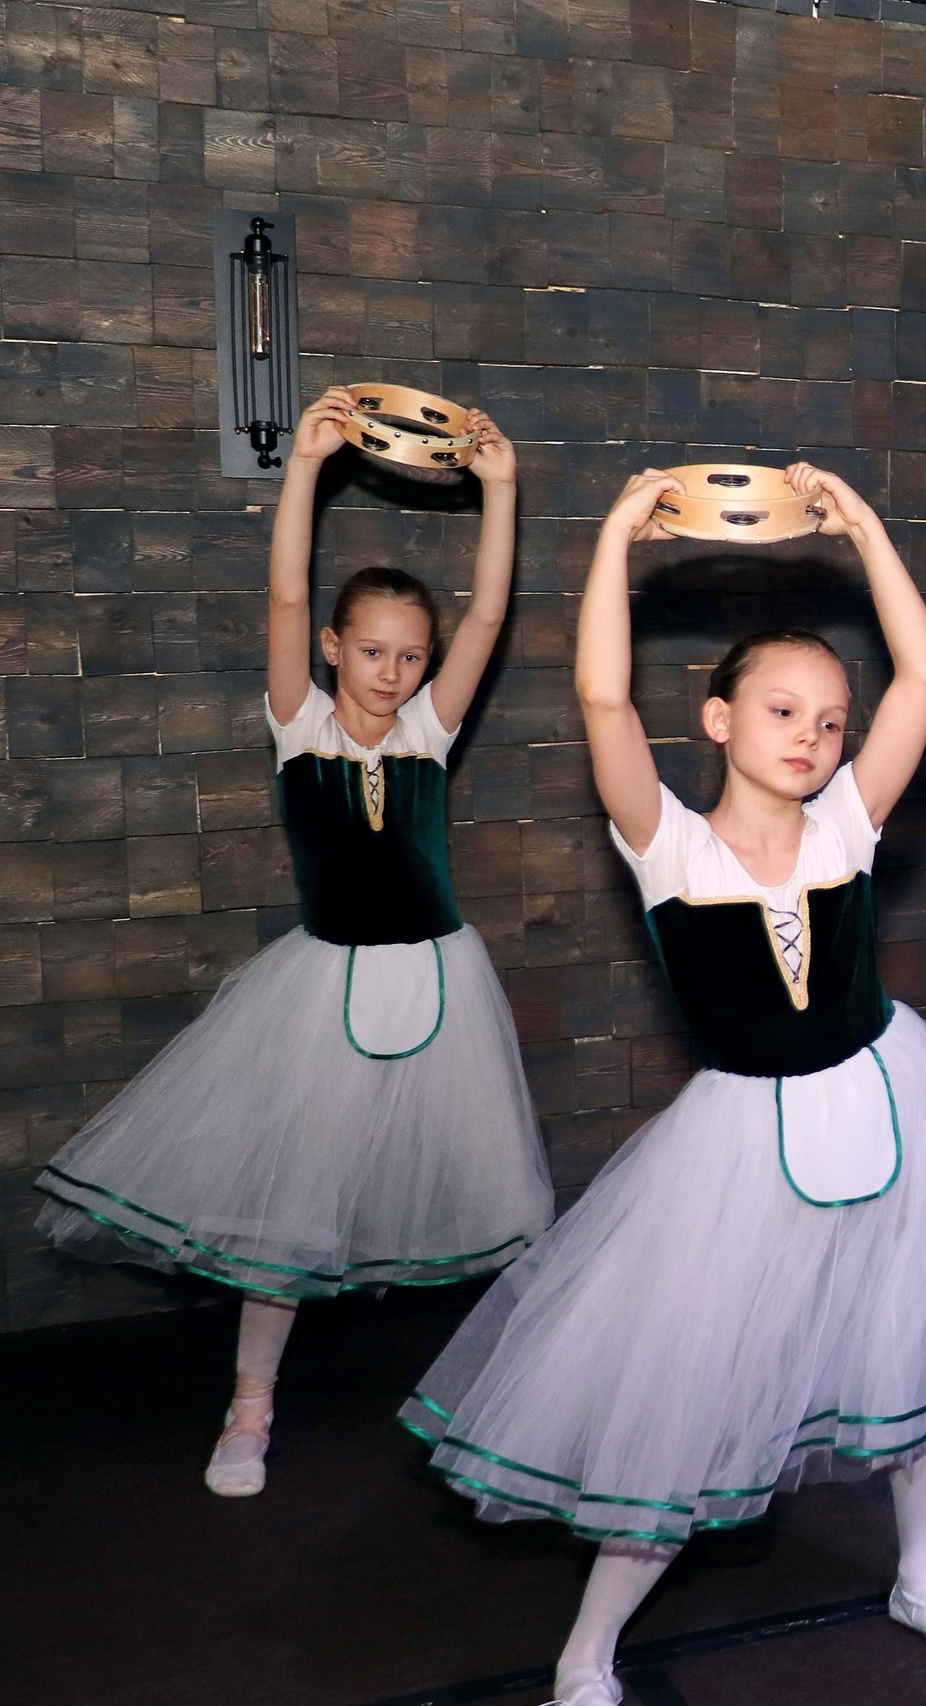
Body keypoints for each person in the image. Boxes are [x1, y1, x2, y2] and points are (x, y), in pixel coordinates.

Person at [401, 464, 926, 1706]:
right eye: (784, 710)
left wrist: (870, 529)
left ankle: (923, 1575)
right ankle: (588, 1648)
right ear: (719, 719)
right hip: (739, 1143)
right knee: (693, 1384)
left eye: (831, 719)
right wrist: (618, 529)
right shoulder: (667, 844)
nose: (814, 736)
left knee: (916, 1340)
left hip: (890, 1102)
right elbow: (601, 691)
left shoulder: (847, 826)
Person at [34, 387, 549, 1497]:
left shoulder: (426, 732)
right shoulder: (299, 722)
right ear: (332, 646)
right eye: (371, 650)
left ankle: (543, 1391)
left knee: (498, 1196)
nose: (392, 672)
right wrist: (305, 466)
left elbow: (492, 618)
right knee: (290, 1210)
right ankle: (249, 1404)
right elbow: (279, 586)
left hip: (442, 988)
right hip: (323, 995)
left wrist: (499, 489)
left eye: (411, 655)